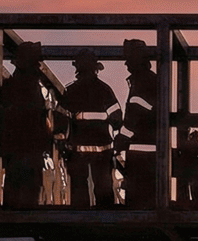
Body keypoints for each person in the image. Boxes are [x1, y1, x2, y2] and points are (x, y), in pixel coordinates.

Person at [58, 49, 120, 208]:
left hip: (78, 151)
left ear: (77, 68)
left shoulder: (71, 91)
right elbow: (117, 117)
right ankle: (105, 218)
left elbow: (60, 119)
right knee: (104, 186)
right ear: (96, 68)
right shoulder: (105, 90)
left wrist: (60, 141)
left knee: (79, 188)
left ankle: (81, 218)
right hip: (103, 150)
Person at [0, 43, 51, 209]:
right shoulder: (34, 86)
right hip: (29, 149)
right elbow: (41, 120)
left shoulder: (11, 86)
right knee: (29, 189)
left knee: (15, 187)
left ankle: (13, 221)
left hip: (16, 149)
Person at [115, 39, 160, 208]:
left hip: (143, 153)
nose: (126, 63)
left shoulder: (142, 82)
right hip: (148, 152)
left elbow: (135, 113)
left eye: (129, 59)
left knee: (138, 200)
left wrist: (121, 139)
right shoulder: (150, 80)